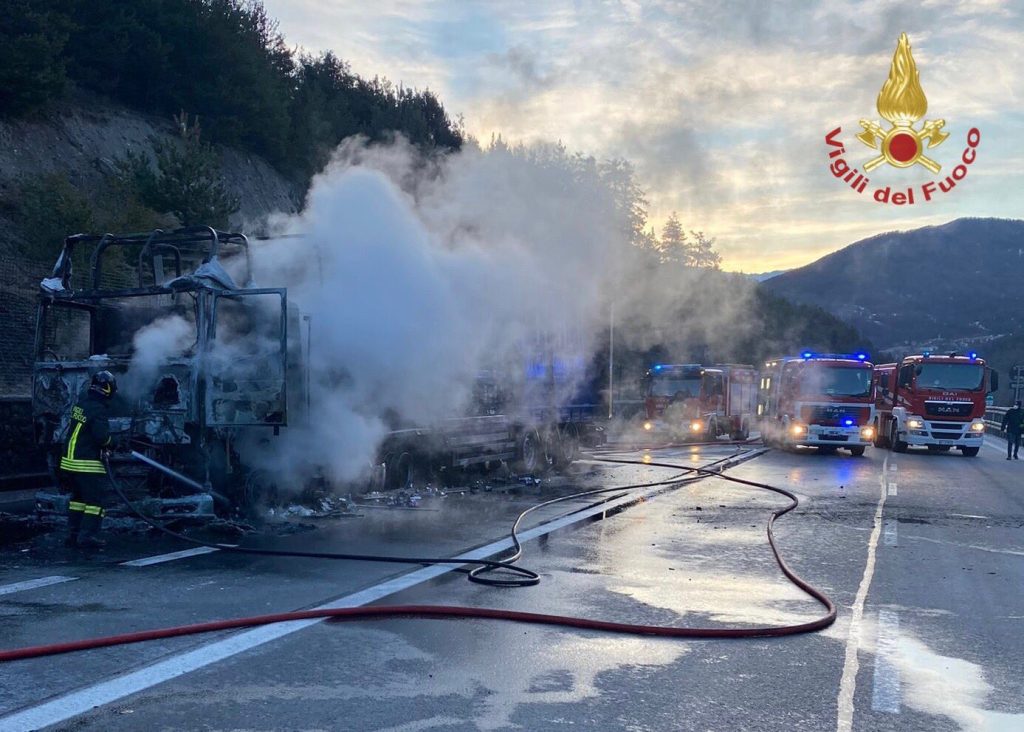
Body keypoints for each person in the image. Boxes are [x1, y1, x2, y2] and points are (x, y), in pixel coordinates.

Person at [61, 371, 117, 548]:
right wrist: (112, 443)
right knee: (95, 502)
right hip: (86, 464)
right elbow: (101, 437)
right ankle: (88, 536)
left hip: (69, 462)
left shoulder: (81, 405)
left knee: (77, 500)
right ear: (107, 389)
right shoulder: (99, 409)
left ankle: (73, 534)